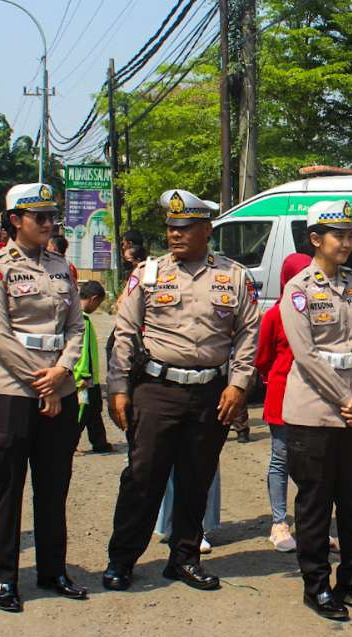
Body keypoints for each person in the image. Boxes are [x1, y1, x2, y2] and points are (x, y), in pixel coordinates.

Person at [103, 189, 259, 593]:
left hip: (210, 392)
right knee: (142, 477)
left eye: (185, 227)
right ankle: (122, 559)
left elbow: (247, 334)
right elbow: (123, 333)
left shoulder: (234, 276)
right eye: (172, 227)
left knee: (197, 478)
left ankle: (184, 558)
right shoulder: (149, 273)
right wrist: (118, 387)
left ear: (207, 229)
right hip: (157, 390)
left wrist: (239, 383)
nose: (175, 234)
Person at [0, 182, 87, 613]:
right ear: (14, 221)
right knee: (6, 488)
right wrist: (41, 382)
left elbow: (76, 327)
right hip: (10, 390)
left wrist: (61, 373)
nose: (47, 223)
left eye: (51, 216)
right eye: (38, 217)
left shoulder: (62, 267)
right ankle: (4, 578)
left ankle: (53, 571)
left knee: (54, 485)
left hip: (57, 384)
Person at [281, 200, 352, 621]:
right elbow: (305, 356)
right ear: (316, 239)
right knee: (315, 504)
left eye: (351, 234)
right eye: (338, 234)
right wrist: (346, 399)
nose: (347, 241)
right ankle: (317, 586)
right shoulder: (299, 288)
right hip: (315, 414)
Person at [256, 252, 313, 552]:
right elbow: (263, 358)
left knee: (312, 462)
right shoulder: (275, 314)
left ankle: (310, 524)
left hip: (314, 398)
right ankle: (279, 522)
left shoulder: (321, 309)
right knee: (281, 459)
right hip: (282, 395)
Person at [73, 280, 114, 454]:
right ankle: (69, 443)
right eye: (98, 303)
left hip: (92, 378)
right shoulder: (79, 319)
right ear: (93, 299)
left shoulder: (83, 319)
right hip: (83, 376)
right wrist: (81, 376)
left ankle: (100, 443)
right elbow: (81, 351)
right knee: (80, 412)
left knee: (94, 410)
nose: (97, 307)